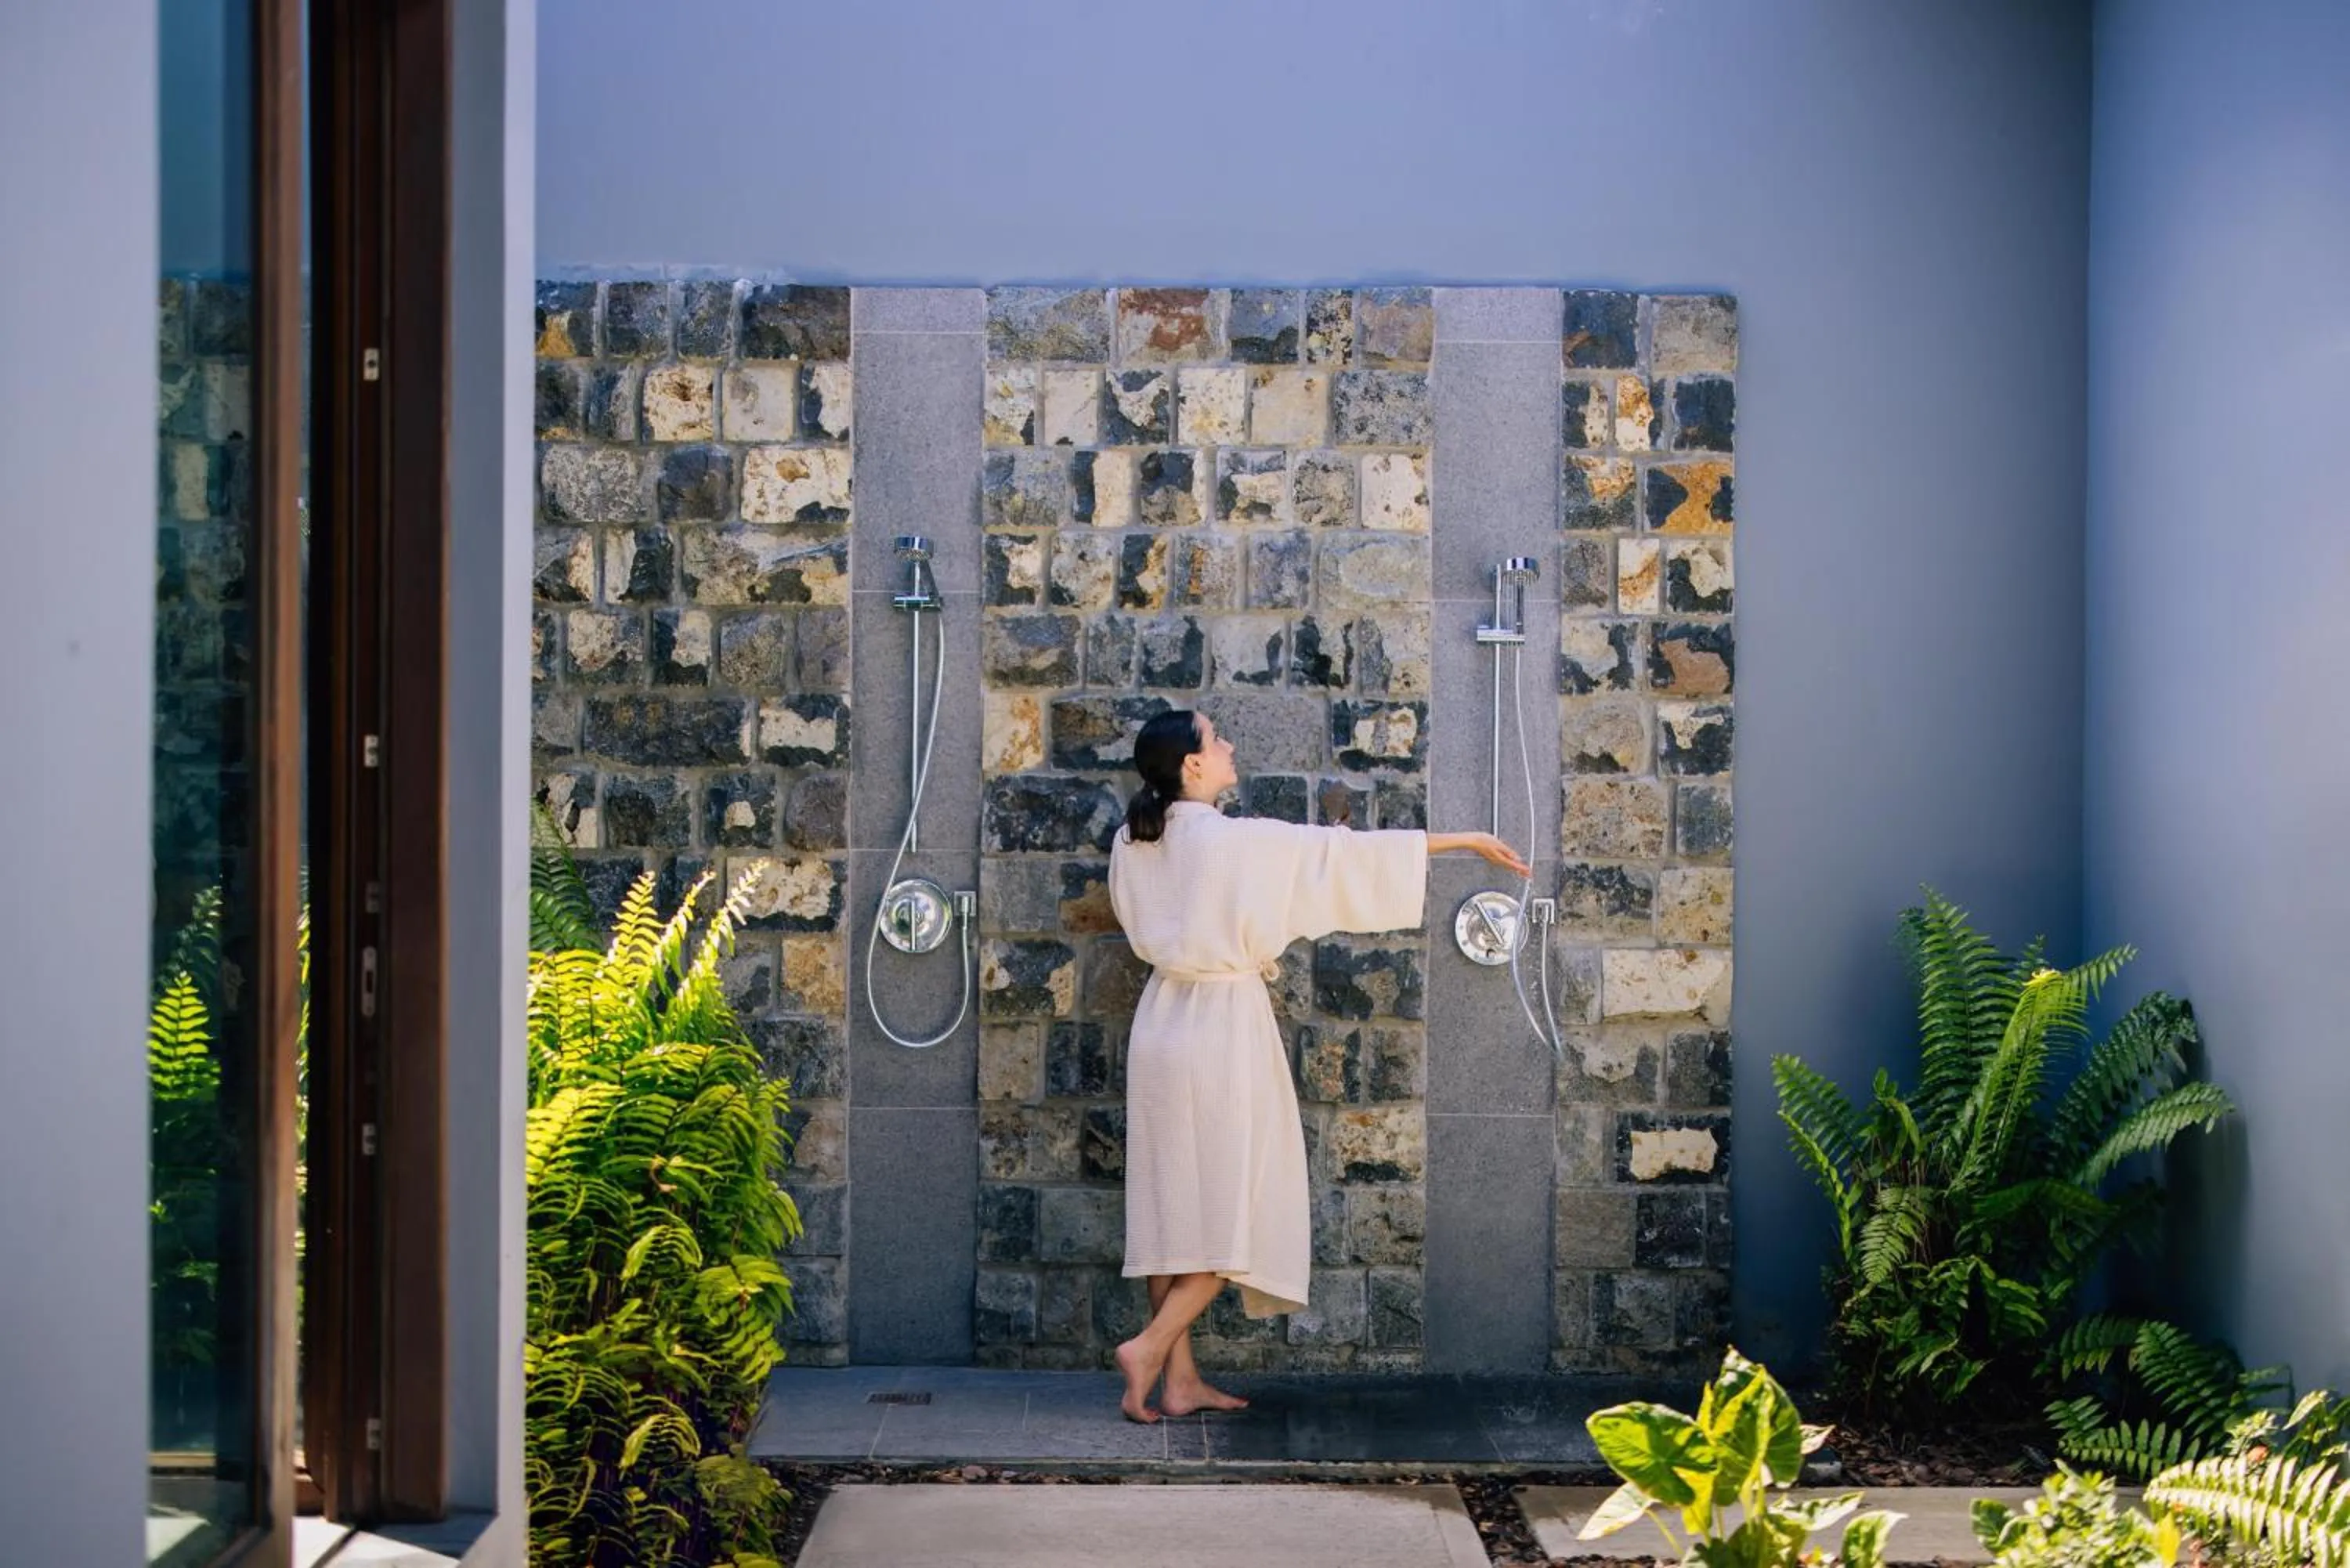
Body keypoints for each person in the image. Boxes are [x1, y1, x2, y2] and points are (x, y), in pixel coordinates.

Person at [1104, 708, 1529, 1422]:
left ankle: (1178, 1382)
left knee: (1173, 1208)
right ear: (1193, 766)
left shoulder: (1133, 839)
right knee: (1231, 1202)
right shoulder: (1229, 842)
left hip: (1162, 1023)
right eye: (1217, 738)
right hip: (1219, 1030)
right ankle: (1147, 1348)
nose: (1231, 744)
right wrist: (1462, 841)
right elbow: (1340, 855)